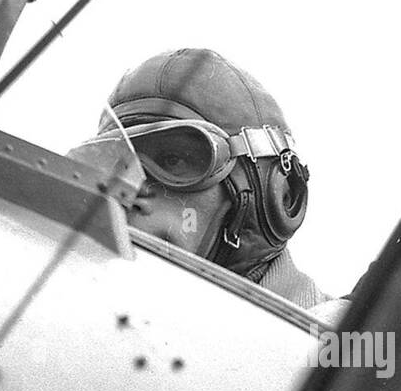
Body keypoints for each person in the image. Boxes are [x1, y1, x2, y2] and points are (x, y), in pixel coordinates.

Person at [81, 48, 328, 308]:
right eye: (115, 164)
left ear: (281, 198)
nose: (130, 189)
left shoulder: (343, 342)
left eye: (172, 160)